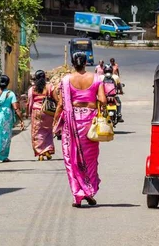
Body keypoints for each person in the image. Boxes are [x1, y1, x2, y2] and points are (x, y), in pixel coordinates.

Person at [53, 52, 107, 208]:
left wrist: (56, 121)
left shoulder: (65, 80)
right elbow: (103, 101)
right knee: (89, 160)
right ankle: (88, 191)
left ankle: (78, 195)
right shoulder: (97, 79)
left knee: (72, 159)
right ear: (86, 63)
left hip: (72, 124)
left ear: (72, 63)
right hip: (89, 124)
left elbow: (61, 105)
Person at [27, 70, 56, 161]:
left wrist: (29, 113)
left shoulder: (32, 89)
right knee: (48, 131)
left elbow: (30, 102)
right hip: (48, 112)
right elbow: (56, 99)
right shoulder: (49, 87)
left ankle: (40, 152)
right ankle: (47, 150)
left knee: (37, 132)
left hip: (36, 111)